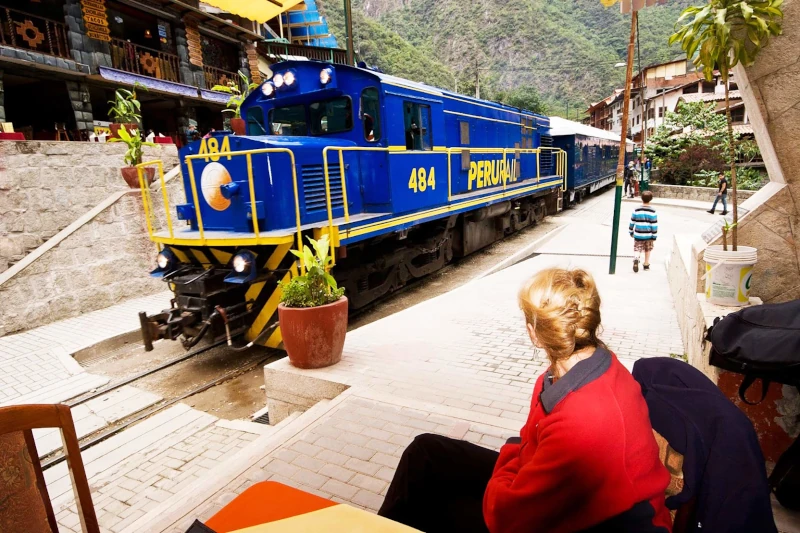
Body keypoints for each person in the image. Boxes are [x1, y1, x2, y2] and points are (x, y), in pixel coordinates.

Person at [378, 268, 673, 533]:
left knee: (435, 506)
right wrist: (516, 459)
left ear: (534, 334)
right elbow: (529, 446)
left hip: (608, 524)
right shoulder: (587, 367)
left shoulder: (583, 421)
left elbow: (504, 519)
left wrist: (510, 458)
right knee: (426, 452)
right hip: (568, 493)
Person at [630, 190, 658, 273]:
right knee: (647, 249)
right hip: (648, 235)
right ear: (651, 199)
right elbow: (654, 224)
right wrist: (654, 235)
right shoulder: (653, 211)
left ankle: (636, 258)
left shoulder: (636, 209)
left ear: (641, 198)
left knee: (637, 248)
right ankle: (646, 264)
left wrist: (631, 231)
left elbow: (632, 221)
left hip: (638, 233)